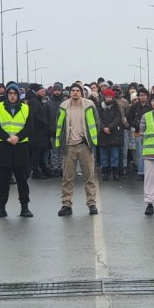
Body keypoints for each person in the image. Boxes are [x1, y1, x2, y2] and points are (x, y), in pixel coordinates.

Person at [55, 84, 101, 216]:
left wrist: (90, 140)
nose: (75, 93)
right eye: (73, 91)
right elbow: (59, 124)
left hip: (85, 145)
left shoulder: (89, 105)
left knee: (89, 176)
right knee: (67, 177)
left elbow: (97, 123)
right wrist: (62, 143)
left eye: (77, 91)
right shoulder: (63, 106)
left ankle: (92, 203)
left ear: (81, 93)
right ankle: (66, 204)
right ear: (70, 93)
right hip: (69, 146)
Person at [0, 83, 33, 218]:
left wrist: (18, 137)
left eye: (15, 94)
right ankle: (1, 207)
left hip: (20, 147)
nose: (12, 96)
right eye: (10, 94)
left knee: (22, 180)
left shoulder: (26, 108)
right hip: (4, 146)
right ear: (7, 95)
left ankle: (24, 207)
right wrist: (7, 137)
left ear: (18, 95)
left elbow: (30, 126)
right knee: (3, 180)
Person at [127, 88, 152, 180]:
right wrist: (135, 124)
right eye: (141, 95)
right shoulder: (134, 107)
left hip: (151, 132)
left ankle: (150, 172)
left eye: (144, 95)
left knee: (150, 153)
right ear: (138, 96)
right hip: (138, 132)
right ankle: (141, 172)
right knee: (140, 153)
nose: (143, 97)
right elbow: (129, 118)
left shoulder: (151, 106)